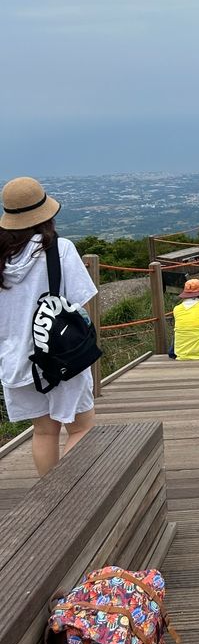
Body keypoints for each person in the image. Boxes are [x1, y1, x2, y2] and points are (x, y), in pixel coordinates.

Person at [0, 176, 97, 477]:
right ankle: (64, 497)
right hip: (59, 357)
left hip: (14, 361)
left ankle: (49, 502)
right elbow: (82, 303)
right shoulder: (59, 249)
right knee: (81, 428)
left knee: (43, 432)